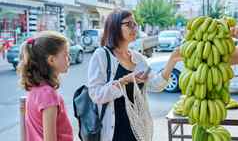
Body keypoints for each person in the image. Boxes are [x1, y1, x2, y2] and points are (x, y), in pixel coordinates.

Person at [87, 10, 181, 141]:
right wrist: (124, 81)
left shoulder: (138, 58)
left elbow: (156, 85)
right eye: (128, 24)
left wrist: (172, 61)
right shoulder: (102, 55)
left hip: (138, 129)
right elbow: (95, 94)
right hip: (114, 132)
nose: (134, 28)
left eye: (135, 24)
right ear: (114, 27)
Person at [17, 31, 73, 141]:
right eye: (65, 55)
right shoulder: (48, 94)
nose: (69, 58)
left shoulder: (35, 90)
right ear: (51, 60)